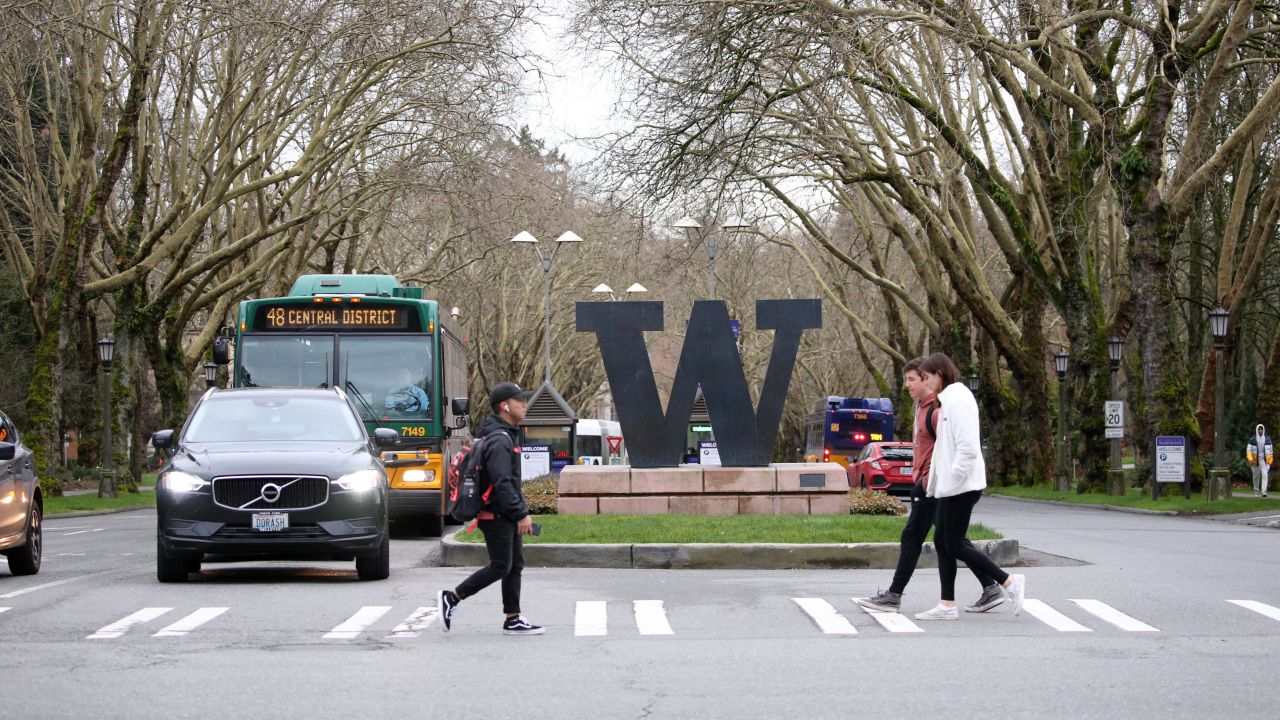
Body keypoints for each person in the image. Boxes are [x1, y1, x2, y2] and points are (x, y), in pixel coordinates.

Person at [857, 358, 1005, 615]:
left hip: (934, 486)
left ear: (929, 380)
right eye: (908, 380)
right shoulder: (923, 408)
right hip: (930, 484)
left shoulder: (937, 411)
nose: (908, 385)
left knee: (916, 537)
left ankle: (894, 595)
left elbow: (954, 448)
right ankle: (988, 586)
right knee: (950, 540)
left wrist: (936, 481)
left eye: (913, 379)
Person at [914, 352, 1025, 621]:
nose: (925, 383)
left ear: (939, 375)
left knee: (953, 544)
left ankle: (1008, 582)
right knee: (942, 542)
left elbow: (967, 449)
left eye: (927, 377)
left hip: (961, 486)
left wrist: (951, 480)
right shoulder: (947, 401)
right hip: (949, 487)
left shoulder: (960, 400)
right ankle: (947, 604)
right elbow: (945, 448)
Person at [437, 382, 542, 635]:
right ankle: (452, 597)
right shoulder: (500, 440)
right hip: (495, 515)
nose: (524, 405)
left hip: (503, 514)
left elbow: (508, 482)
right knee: (500, 565)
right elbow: (501, 482)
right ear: (504, 406)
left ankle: (513, 617)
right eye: (520, 401)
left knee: (514, 564)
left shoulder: (503, 436)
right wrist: (521, 513)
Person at [1247, 424, 1273, 498]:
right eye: (1259, 429)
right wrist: (1251, 459)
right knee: (1256, 476)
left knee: (1265, 474)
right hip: (1255, 460)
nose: (1260, 430)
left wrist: (1270, 460)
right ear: (1257, 430)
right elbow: (1248, 450)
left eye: (1261, 429)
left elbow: (1271, 451)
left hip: (1263, 460)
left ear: (1263, 430)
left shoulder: (1268, 439)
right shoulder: (1252, 439)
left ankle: (1264, 491)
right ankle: (1256, 490)